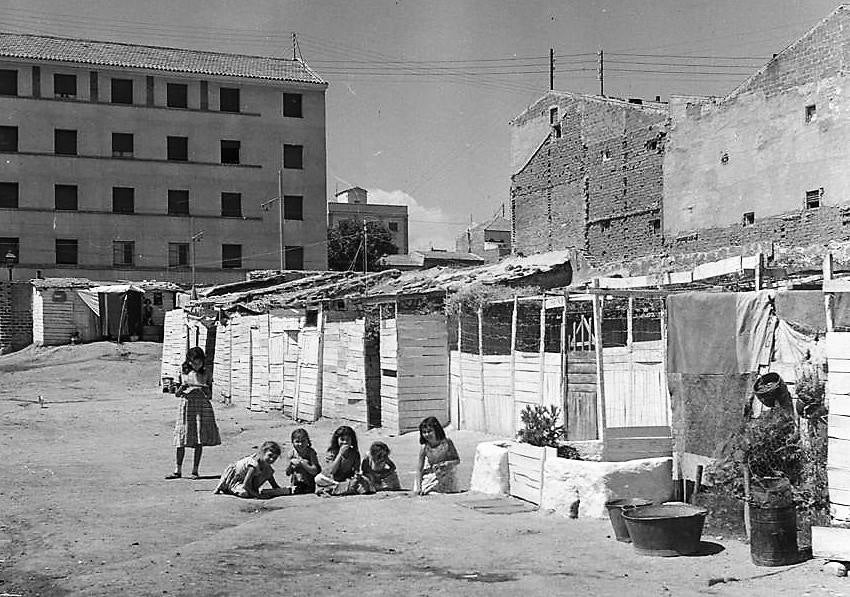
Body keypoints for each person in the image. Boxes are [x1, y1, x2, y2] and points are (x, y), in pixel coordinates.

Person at [165, 347, 221, 480]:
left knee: (199, 438)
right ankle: (177, 470)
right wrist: (182, 388)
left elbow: (210, 395)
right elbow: (177, 394)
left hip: (202, 407)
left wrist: (205, 389)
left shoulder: (206, 373)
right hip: (187, 406)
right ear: (189, 361)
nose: (197, 365)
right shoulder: (183, 373)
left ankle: (195, 471)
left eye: (199, 362)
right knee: (182, 438)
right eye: (194, 362)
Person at [213, 441, 290, 498]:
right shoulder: (254, 465)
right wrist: (258, 496)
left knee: (268, 471)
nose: (271, 459)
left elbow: (272, 481)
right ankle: (229, 489)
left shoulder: (266, 465)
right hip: (236, 479)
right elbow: (245, 485)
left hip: (246, 480)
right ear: (263, 452)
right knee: (244, 493)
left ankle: (252, 490)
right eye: (269, 455)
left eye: (275, 458)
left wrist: (279, 490)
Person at [314, 425, 372, 496]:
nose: (345, 442)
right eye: (342, 439)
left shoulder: (354, 453)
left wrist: (356, 476)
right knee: (318, 479)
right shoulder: (332, 452)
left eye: (347, 440)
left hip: (345, 479)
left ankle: (339, 488)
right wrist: (340, 454)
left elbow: (355, 470)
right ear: (337, 440)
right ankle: (341, 487)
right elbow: (332, 471)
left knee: (365, 480)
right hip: (331, 479)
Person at [415, 416, 460, 495]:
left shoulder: (447, 442)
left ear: (436, 430)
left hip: (446, 472)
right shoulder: (425, 447)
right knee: (427, 490)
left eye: (429, 431)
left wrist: (447, 464)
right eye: (424, 432)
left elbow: (457, 460)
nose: (427, 434)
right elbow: (419, 469)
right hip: (432, 472)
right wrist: (419, 487)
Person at [284, 428, 321, 494]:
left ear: (308, 441)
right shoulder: (291, 453)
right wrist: (290, 465)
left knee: (305, 462)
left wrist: (302, 463)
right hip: (296, 484)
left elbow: (315, 471)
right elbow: (287, 473)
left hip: (309, 485)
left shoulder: (310, 452)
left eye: (303, 441)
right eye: (297, 441)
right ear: (292, 442)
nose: (300, 444)